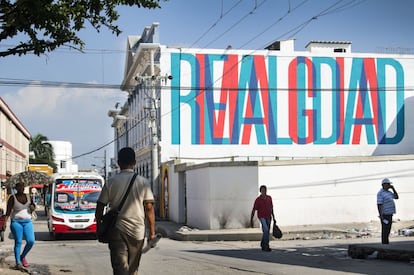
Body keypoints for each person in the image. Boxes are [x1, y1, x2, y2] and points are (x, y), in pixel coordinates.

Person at [95, 147, 156, 275]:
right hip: (138, 232)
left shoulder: (111, 182)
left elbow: (100, 207)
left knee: (120, 269)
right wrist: (152, 232)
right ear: (134, 162)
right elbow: (149, 208)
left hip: (117, 230)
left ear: (118, 163)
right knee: (133, 269)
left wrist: (99, 227)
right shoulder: (143, 182)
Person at [2, 181, 36, 271]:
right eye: (20, 186)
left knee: (31, 241)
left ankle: (22, 256)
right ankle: (18, 263)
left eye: (23, 186)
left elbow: (33, 207)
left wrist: (32, 207)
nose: (22, 188)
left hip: (27, 222)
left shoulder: (28, 197)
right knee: (18, 242)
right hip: (16, 222)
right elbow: (8, 212)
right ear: (16, 188)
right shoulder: (12, 198)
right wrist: (4, 222)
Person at [250, 185, 276, 252]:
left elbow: (271, 208)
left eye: (265, 190)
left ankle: (262, 243)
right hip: (262, 217)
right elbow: (254, 209)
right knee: (266, 230)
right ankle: (266, 246)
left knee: (266, 232)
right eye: (262, 190)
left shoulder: (269, 198)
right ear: (260, 191)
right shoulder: (258, 200)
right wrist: (251, 219)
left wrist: (274, 217)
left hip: (268, 216)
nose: (264, 192)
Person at [377, 178, 399, 244]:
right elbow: (379, 204)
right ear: (384, 185)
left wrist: (393, 189)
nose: (389, 185)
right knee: (385, 229)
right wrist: (381, 215)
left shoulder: (389, 192)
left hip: (390, 213)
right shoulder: (380, 193)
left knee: (388, 229)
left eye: (390, 184)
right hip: (384, 214)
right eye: (388, 184)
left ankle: (386, 242)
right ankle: (384, 243)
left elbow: (396, 197)